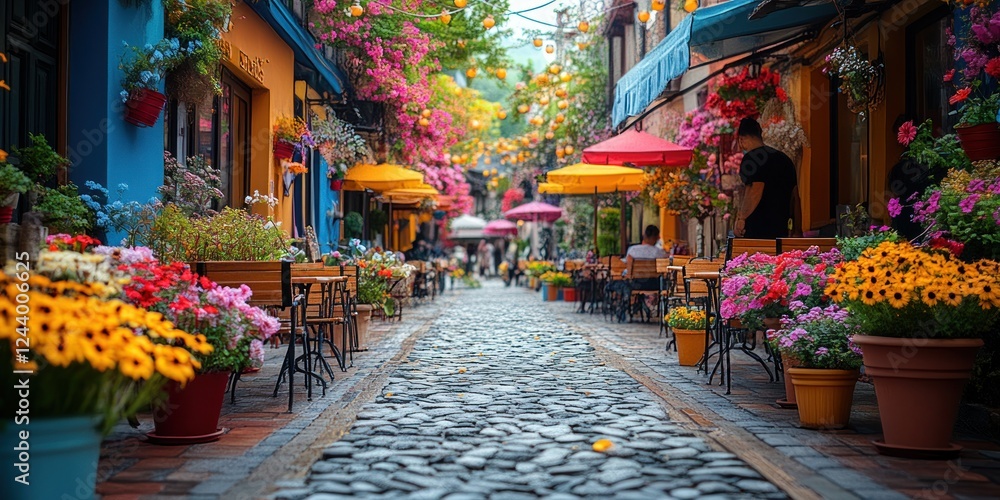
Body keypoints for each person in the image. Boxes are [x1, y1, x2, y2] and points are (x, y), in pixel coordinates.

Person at [735, 117, 802, 238]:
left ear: (741, 139)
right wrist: (798, 230)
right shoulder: (784, 159)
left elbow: (755, 190)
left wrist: (741, 218)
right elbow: (795, 197)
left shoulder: (751, 158)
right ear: (760, 134)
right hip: (781, 231)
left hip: (757, 231)